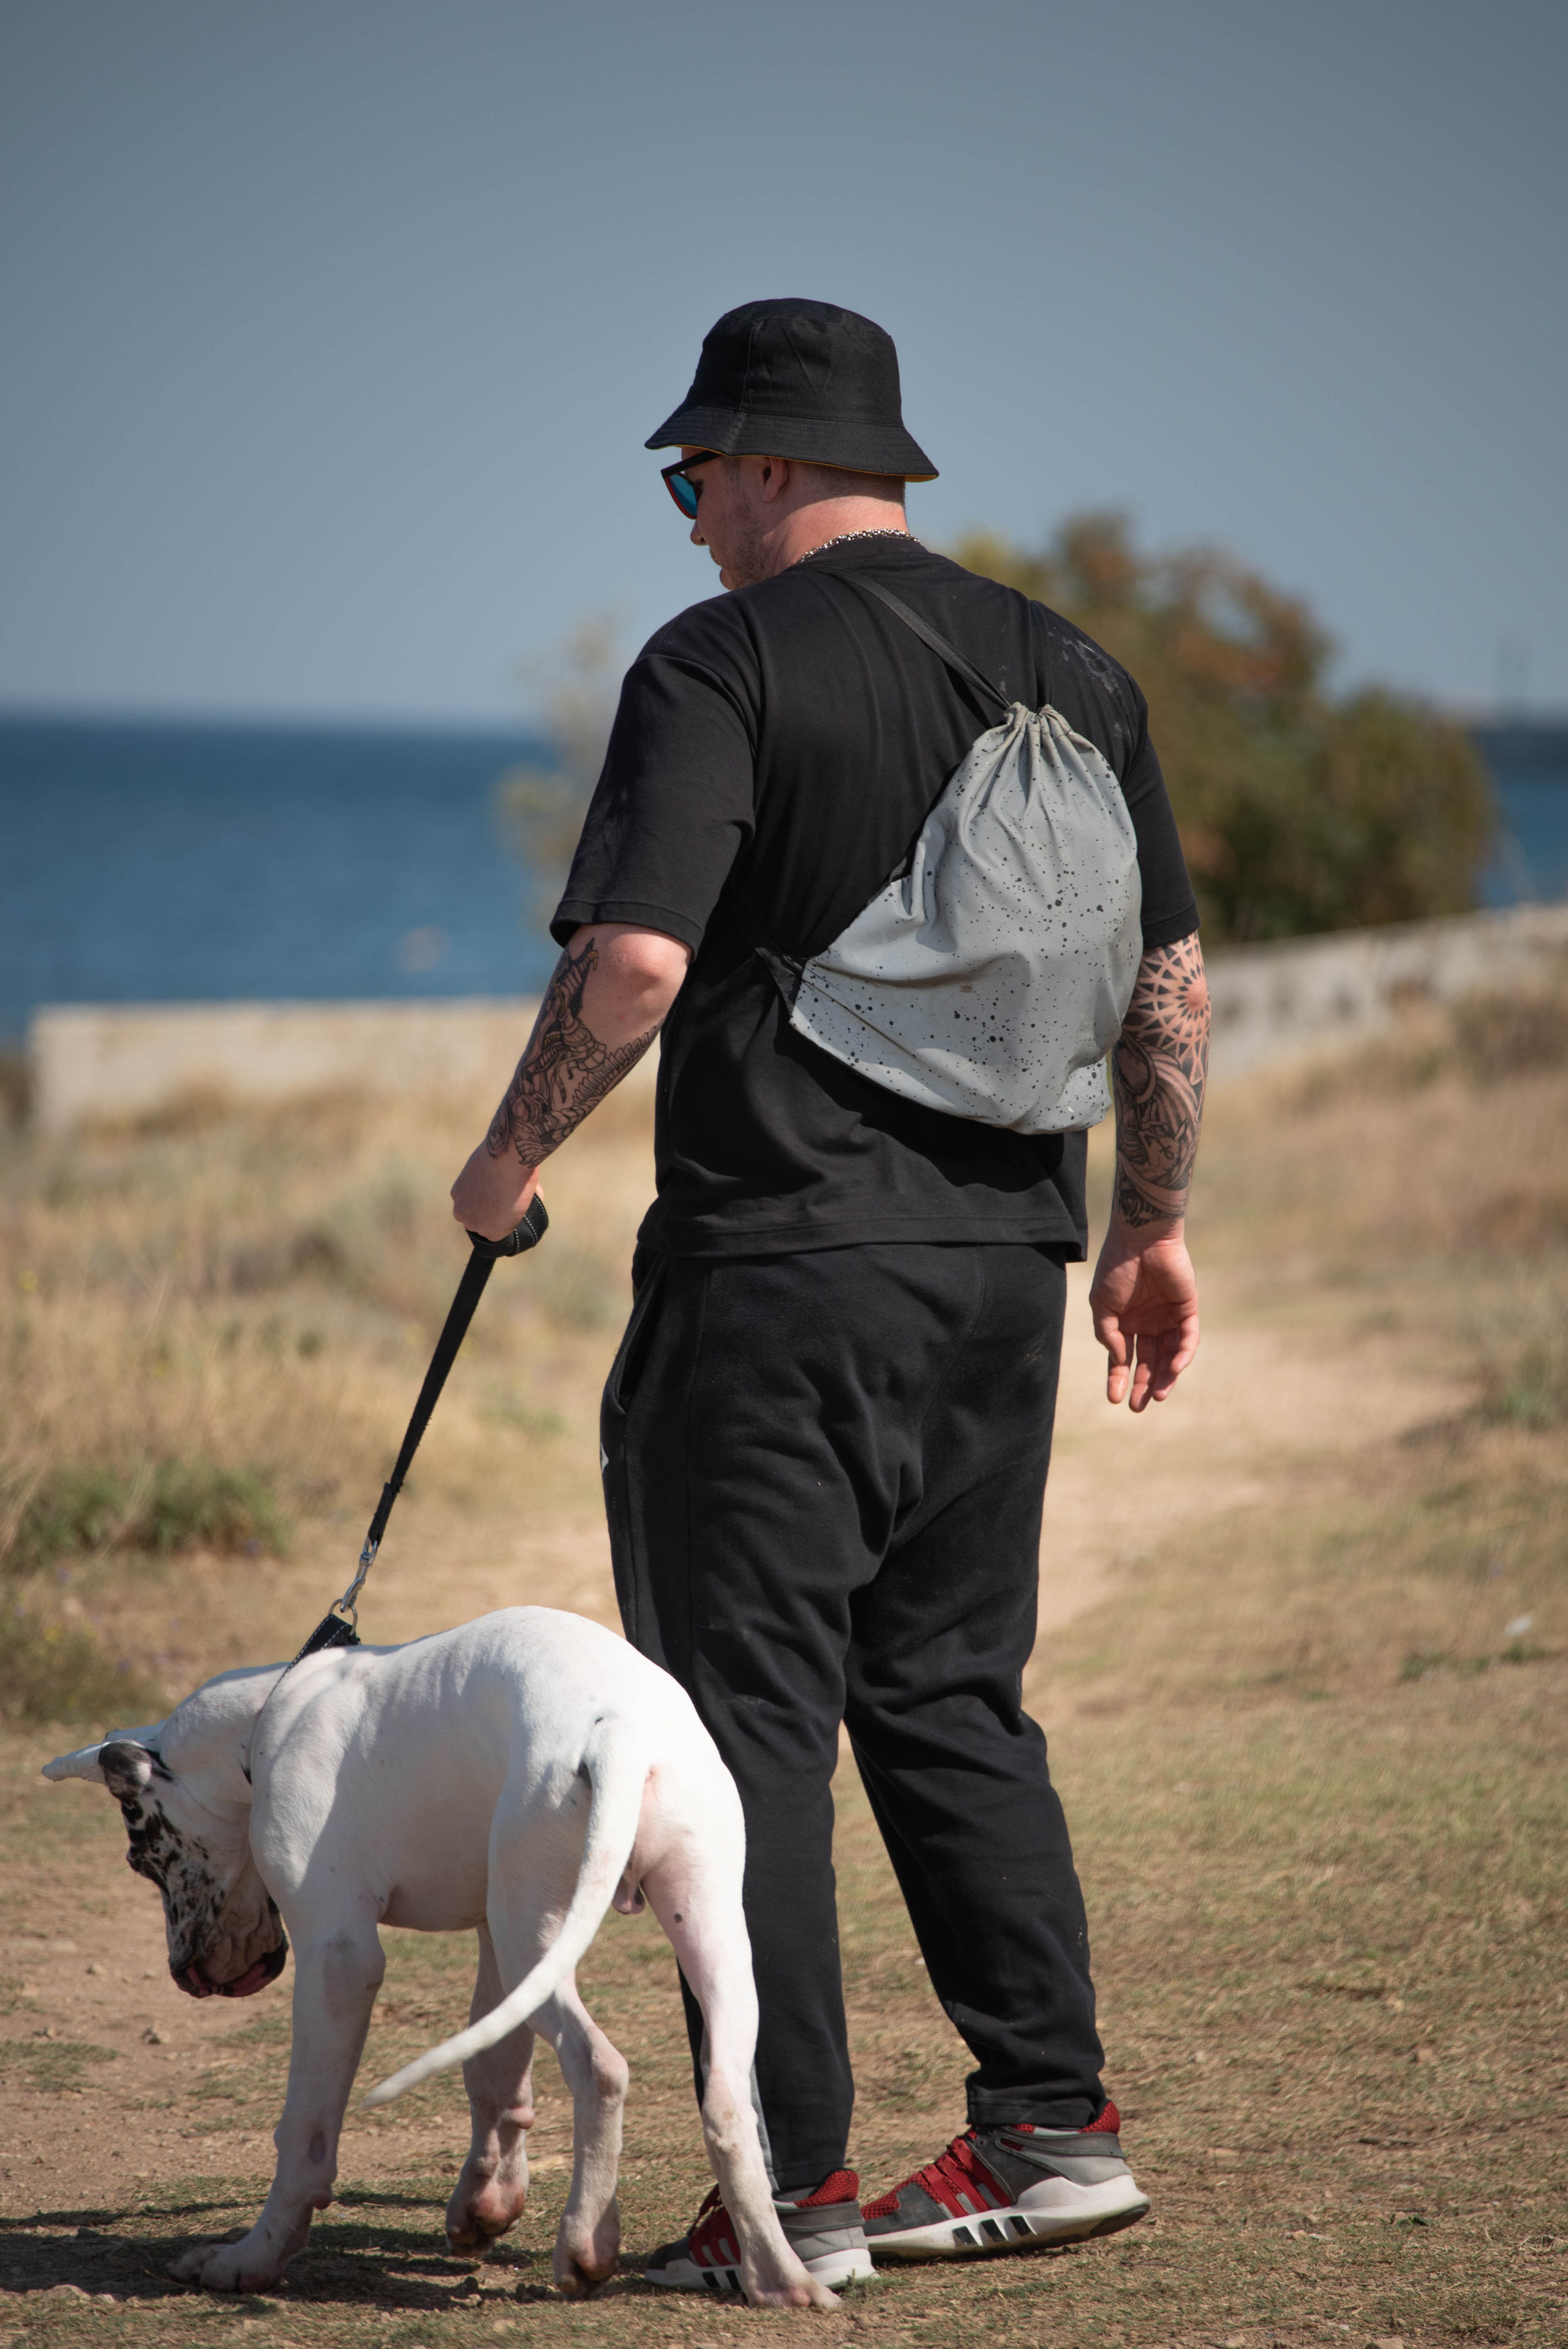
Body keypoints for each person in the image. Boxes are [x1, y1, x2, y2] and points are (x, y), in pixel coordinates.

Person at [451, 297, 1210, 2293]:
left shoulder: (717, 662)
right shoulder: (1073, 667)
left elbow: (633, 965)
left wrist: (508, 1151)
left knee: (748, 1731)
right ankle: (1050, 2127)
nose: (690, 516)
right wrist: (1153, 1224)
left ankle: (781, 2192)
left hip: (781, 1271)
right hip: (1003, 1275)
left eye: (698, 476)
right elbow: (1166, 988)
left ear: (773, 464)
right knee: (956, 1695)